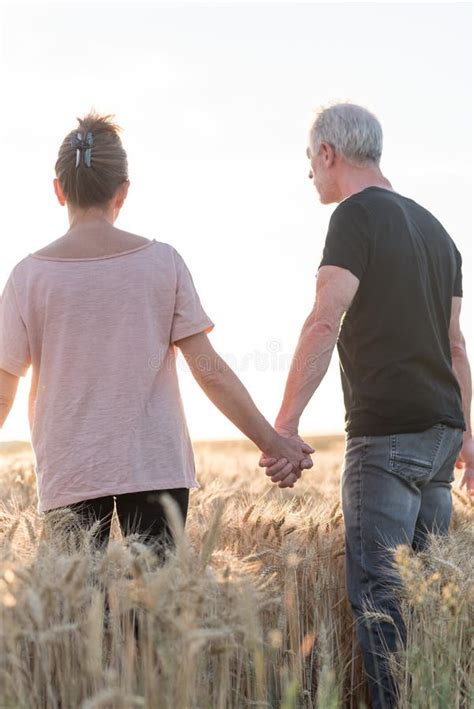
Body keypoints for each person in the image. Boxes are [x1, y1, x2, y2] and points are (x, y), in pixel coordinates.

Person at [0, 111, 314, 559]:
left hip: (69, 471)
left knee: (75, 616)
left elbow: (2, 392)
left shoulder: (27, 277)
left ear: (58, 189)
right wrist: (272, 441)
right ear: (123, 192)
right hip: (155, 470)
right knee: (154, 616)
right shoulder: (162, 263)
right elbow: (209, 371)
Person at [259, 102, 473, 708]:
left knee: (381, 604)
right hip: (439, 439)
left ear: (329, 153)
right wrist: (469, 435)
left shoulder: (355, 216)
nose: (309, 175)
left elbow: (325, 321)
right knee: (429, 598)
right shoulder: (438, 230)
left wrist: (284, 423)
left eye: (309, 160)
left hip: (388, 439)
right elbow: (456, 344)